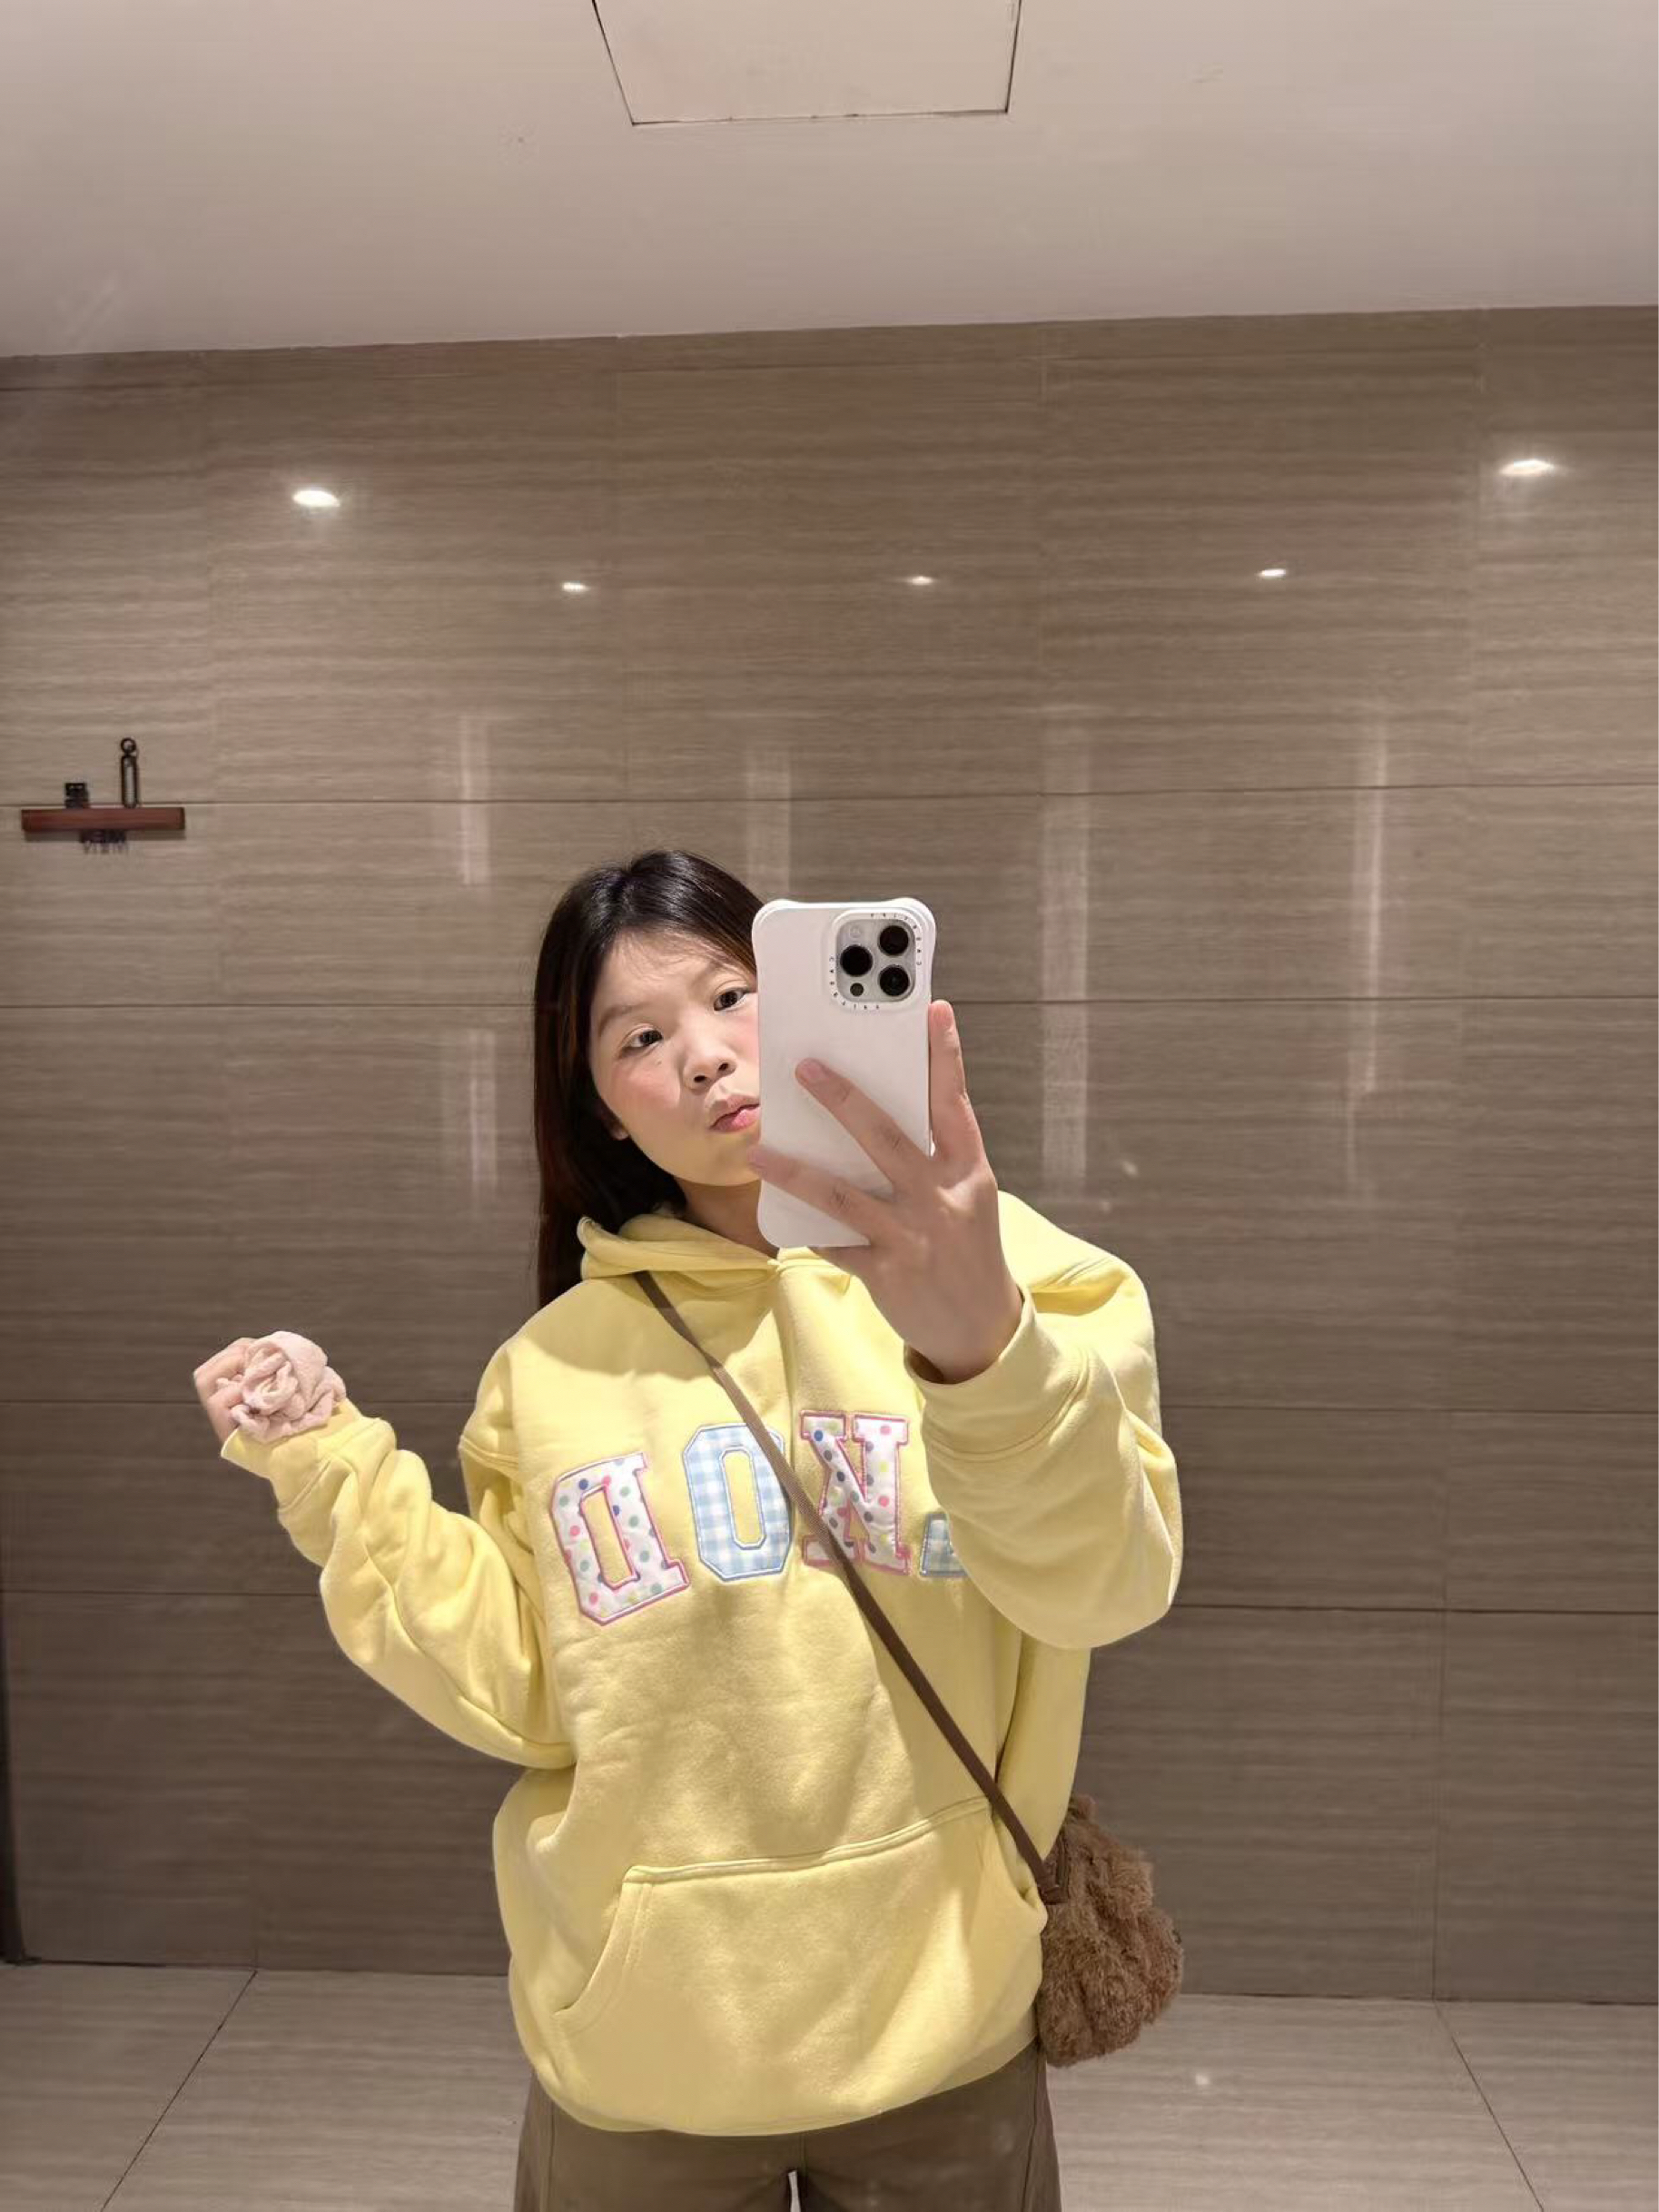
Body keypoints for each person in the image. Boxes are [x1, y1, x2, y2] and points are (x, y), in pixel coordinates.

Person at [193, 846, 1182, 2210]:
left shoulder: (1036, 1280)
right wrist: (329, 1462)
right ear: (600, 1108)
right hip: (647, 2055)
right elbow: (526, 1688)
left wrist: (986, 1351)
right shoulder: (552, 1371)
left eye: (731, 996)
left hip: (945, 2029)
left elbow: (1105, 1588)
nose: (706, 1055)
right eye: (640, 1039)